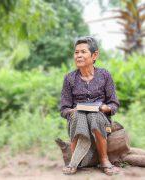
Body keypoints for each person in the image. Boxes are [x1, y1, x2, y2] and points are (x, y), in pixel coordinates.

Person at [60, 36, 120, 175]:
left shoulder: (104, 75)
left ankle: (104, 160)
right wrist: (72, 111)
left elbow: (114, 103)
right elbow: (64, 109)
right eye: (76, 52)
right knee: (78, 115)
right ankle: (74, 162)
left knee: (94, 116)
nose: (78, 55)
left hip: (100, 120)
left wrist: (106, 108)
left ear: (94, 55)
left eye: (83, 52)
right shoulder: (69, 78)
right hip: (77, 120)